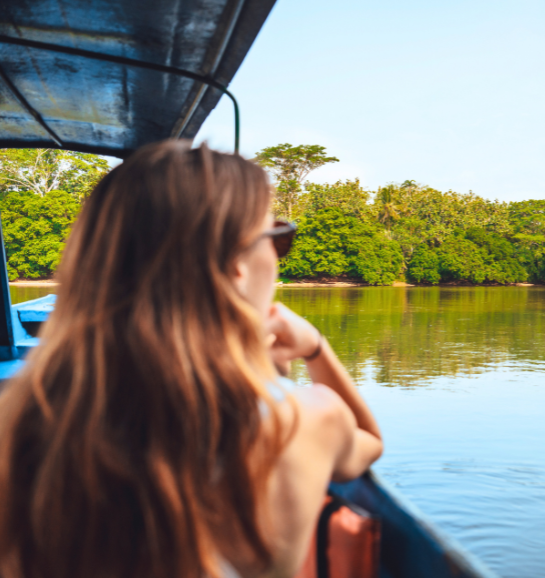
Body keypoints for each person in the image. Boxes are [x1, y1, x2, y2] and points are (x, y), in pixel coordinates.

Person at [0, 141, 383, 578]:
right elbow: (369, 443)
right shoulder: (307, 421)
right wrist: (315, 347)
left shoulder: (19, 419)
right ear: (238, 265)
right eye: (278, 238)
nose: (278, 255)